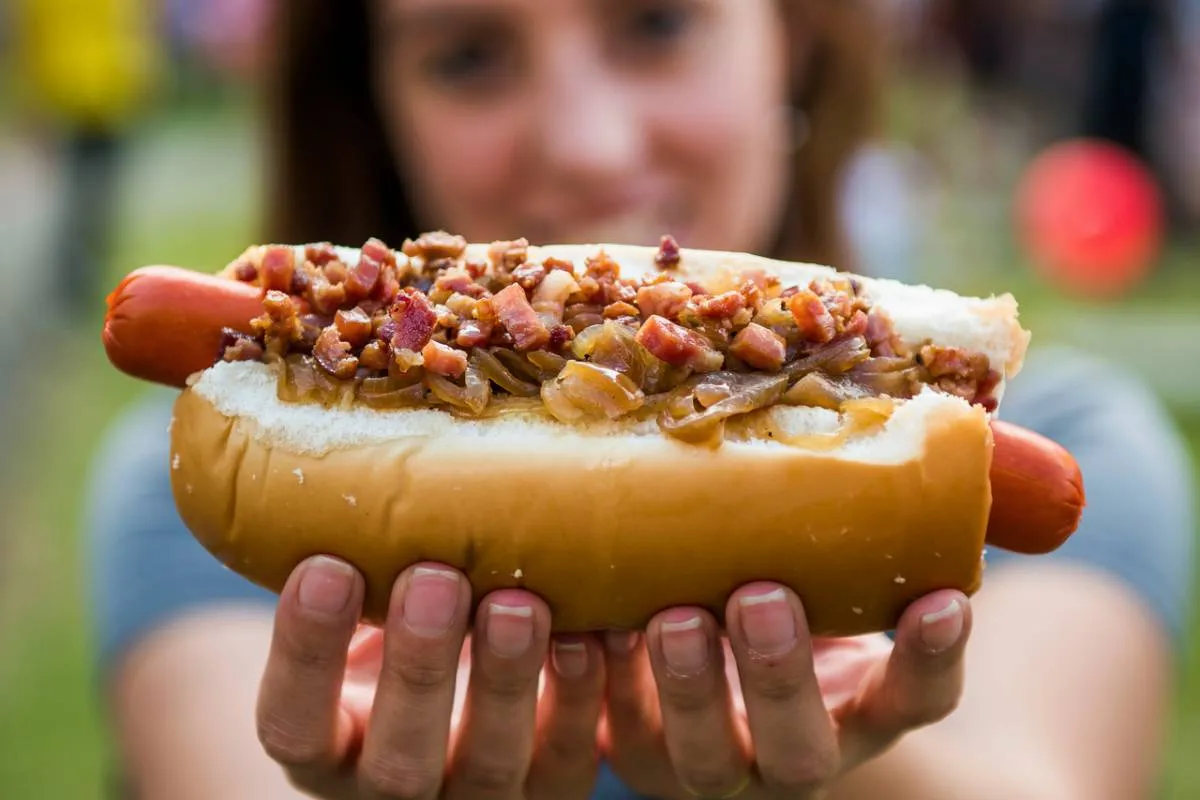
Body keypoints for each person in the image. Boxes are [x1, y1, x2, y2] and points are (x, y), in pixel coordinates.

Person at [85, 2, 1196, 798]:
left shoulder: (1091, 437)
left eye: (657, 25)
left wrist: (866, 767)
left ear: (793, 41)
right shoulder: (174, 488)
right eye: (469, 56)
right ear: (371, 104)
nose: (588, 142)